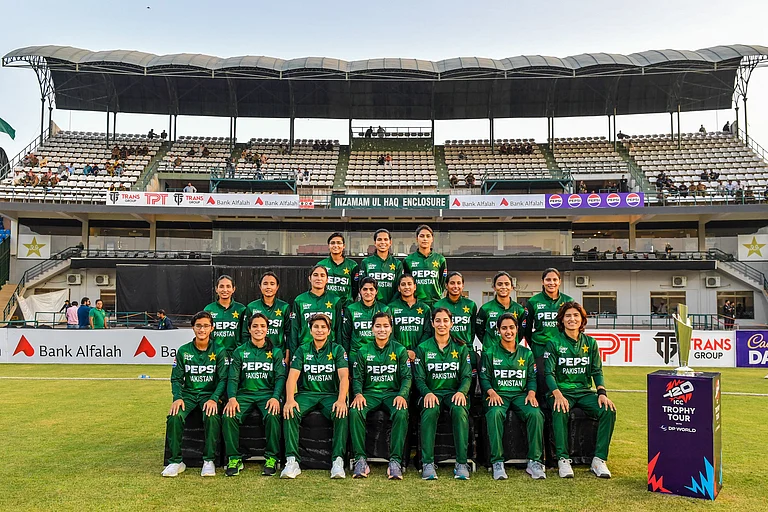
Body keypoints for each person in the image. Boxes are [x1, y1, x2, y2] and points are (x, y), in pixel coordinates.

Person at [544, 301, 616, 479]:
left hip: (584, 392)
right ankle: (563, 459)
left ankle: (599, 460)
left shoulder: (590, 343)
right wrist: (558, 394)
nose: (572, 319)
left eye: (576, 315)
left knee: (608, 410)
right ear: (561, 319)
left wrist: (602, 393)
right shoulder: (553, 343)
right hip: (561, 392)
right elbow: (548, 373)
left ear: (582, 319)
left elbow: (597, 371)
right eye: (568, 315)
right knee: (560, 409)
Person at [281, 314, 349, 479]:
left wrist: (341, 400)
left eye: (323, 327)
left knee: (341, 412)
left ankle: (338, 461)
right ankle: (292, 461)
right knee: (290, 411)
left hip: (330, 395)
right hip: (307, 394)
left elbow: (344, 377)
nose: (320, 330)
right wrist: (290, 399)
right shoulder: (303, 349)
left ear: (329, 330)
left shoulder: (337, 349)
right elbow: (292, 377)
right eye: (316, 327)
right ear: (310, 330)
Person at [480, 313, 545, 480]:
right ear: (498, 331)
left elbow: (531, 377)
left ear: (517, 329)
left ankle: (535, 462)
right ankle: (497, 462)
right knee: (494, 414)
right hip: (498, 395)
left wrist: (531, 393)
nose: (508, 331)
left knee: (536, 414)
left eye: (511, 327)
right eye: (504, 328)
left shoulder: (526, 353)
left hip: (520, 395)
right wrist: (491, 392)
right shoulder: (490, 352)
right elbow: (485, 378)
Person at [162, 311, 226, 477]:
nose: (202, 329)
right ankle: (176, 461)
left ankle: (209, 460)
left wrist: (214, 398)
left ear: (212, 328)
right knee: (174, 417)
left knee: (212, 417)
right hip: (188, 395)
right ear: (193, 328)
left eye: (205, 326)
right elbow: (176, 379)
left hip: (209, 395)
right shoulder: (183, 351)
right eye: (198, 326)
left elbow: (223, 379)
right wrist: (177, 398)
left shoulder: (219, 350)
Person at [223, 312, 286, 477]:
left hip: (267, 394)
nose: (259, 329)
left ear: (267, 329)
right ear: (249, 329)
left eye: (262, 326)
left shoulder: (276, 352)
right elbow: (233, 378)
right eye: (255, 326)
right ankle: (234, 458)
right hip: (244, 395)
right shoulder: (239, 351)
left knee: (273, 414)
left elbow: (280, 377)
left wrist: (275, 397)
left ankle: (271, 458)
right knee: (229, 415)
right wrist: (232, 398)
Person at [350, 312, 411, 479]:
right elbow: (357, 377)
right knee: (355, 411)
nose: (382, 329)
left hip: (392, 394)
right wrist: (358, 394)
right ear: (372, 329)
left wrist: (402, 395)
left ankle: (395, 461)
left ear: (391, 329)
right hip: (370, 394)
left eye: (385, 326)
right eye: (378, 326)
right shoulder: (363, 351)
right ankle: (360, 460)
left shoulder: (399, 350)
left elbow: (407, 377)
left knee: (401, 411)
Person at [414, 308, 472, 480]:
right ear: (432, 323)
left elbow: (467, 375)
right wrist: (427, 393)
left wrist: (462, 392)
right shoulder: (423, 348)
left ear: (451, 323)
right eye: (438, 321)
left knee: (459, 410)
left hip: (454, 393)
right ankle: (428, 463)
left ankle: (462, 463)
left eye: (445, 320)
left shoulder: (461, 348)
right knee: (430, 410)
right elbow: (418, 377)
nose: (442, 324)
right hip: (432, 393)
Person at [523, 268, 574, 398]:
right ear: (543, 281)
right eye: (548, 279)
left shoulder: (568, 301)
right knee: (541, 382)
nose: (551, 283)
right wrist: (535, 345)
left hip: (561, 349)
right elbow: (527, 329)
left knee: (560, 382)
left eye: (554, 279)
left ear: (560, 282)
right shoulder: (533, 301)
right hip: (540, 348)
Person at [289, 265, 344, 355]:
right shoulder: (299, 300)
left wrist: (339, 353)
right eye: (315, 275)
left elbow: (338, 329)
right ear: (310, 278)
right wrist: (293, 355)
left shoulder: (335, 300)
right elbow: (294, 330)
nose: (319, 278)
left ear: (327, 280)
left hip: (329, 350)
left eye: (322, 275)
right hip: (305, 350)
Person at [341, 277, 390, 368]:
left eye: (371, 289)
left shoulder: (384, 309)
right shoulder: (351, 309)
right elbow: (345, 336)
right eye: (365, 289)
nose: (368, 292)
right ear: (360, 291)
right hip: (355, 355)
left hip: (377, 355)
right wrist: (346, 360)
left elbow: (390, 335)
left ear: (376, 291)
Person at [241, 271, 291, 361]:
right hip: (256, 354)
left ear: (277, 287)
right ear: (260, 287)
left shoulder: (284, 307)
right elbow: (245, 334)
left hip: (278, 354)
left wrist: (287, 357)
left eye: (272, 284)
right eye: (265, 284)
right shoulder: (251, 307)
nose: (268, 287)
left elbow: (289, 334)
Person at [388, 273, 433, 362]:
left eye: (409, 284)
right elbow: (389, 333)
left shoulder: (425, 308)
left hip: (419, 355)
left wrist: (415, 351)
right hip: (397, 355)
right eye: (403, 284)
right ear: (398, 288)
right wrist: (402, 351)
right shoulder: (391, 308)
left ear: (415, 287)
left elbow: (428, 332)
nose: (406, 287)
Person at [476, 271, 525, 349]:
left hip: (511, 354)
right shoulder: (485, 308)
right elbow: (479, 331)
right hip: (490, 354)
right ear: (494, 287)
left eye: (507, 284)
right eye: (499, 284)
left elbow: (521, 332)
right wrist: (489, 345)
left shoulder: (519, 309)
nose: (503, 287)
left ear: (512, 287)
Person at [403, 225, 447, 307]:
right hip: (417, 304)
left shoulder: (440, 259)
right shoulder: (408, 260)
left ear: (432, 239)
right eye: (422, 236)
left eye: (428, 236)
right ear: (417, 238)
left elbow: (442, 282)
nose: (425, 239)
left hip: (436, 303)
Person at [204, 275, 246, 355]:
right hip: (215, 354)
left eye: (228, 286)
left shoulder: (241, 309)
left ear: (233, 289)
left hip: (235, 354)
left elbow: (245, 334)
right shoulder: (209, 309)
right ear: (216, 289)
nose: (225, 290)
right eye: (221, 286)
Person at [359, 228, 403, 304]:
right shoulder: (366, 262)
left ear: (390, 242)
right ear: (375, 243)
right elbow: (361, 286)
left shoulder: (397, 263)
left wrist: (391, 305)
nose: (383, 242)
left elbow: (399, 288)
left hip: (391, 307)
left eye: (386, 239)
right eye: (379, 239)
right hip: (372, 307)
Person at [434, 271, 477, 348]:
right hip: (445, 348)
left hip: (466, 349)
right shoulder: (437, 305)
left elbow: (473, 329)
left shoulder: (471, 305)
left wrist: (469, 344)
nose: (455, 286)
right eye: (452, 283)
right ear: (446, 285)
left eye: (459, 283)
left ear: (463, 285)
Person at [316, 232, 359, 307]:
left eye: (339, 243)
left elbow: (356, 287)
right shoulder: (321, 264)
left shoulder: (352, 265)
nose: (336, 245)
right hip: (326, 305)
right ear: (328, 246)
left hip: (346, 306)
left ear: (344, 246)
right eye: (332, 243)